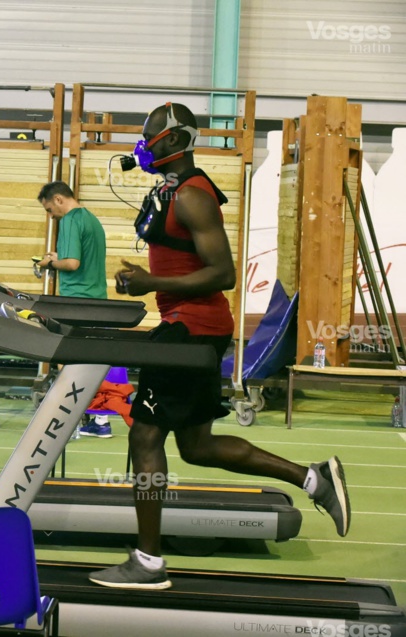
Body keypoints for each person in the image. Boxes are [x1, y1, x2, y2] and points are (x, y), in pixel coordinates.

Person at [88, 102, 350, 591]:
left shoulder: (193, 195)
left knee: (144, 437)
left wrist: (151, 281)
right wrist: (148, 278)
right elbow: (183, 262)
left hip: (191, 329)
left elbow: (224, 273)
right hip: (189, 325)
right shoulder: (170, 191)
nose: (142, 145)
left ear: (174, 141)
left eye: (150, 137)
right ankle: (313, 478)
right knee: (197, 445)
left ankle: (148, 561)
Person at [36, 181, 114, 437]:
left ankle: (67, 422)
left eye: (50, 209)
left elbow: (71, 263)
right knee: (91, 362)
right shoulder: (91, 220)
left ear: (58, 199)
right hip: (97, 300)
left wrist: (49, 263)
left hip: (75, 302)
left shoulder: (69, 220)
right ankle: (100, 420)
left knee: (67, 363)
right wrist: (59, 258)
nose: (51, 215)